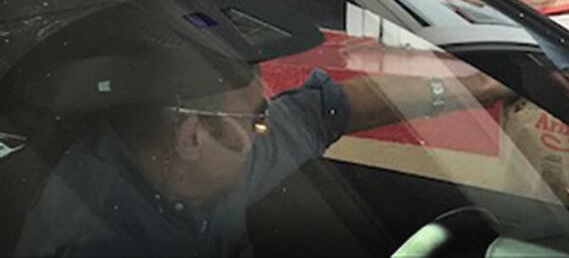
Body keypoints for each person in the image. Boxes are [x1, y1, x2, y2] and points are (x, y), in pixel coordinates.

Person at [16, 30, 504, 257]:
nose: (265, 130)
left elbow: (326, 109)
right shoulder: (99, 241)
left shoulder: (208, 156)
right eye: (256, 120)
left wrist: (478, 85)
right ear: (193, 136)